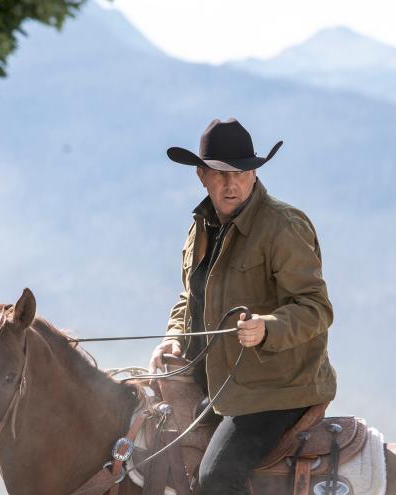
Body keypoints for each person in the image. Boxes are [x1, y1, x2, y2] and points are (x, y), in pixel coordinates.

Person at [149, 118, 336, 494]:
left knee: (216, 478)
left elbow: (316, 307)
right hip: (216, 382)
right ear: (202, 176)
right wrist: (173, 337)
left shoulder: (283, 226)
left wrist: (268, 327)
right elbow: (190, 296)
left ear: (254, 174)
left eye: (241, 172)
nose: (230, 183)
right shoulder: (202, 225)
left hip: (276, 390)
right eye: (220, 173)